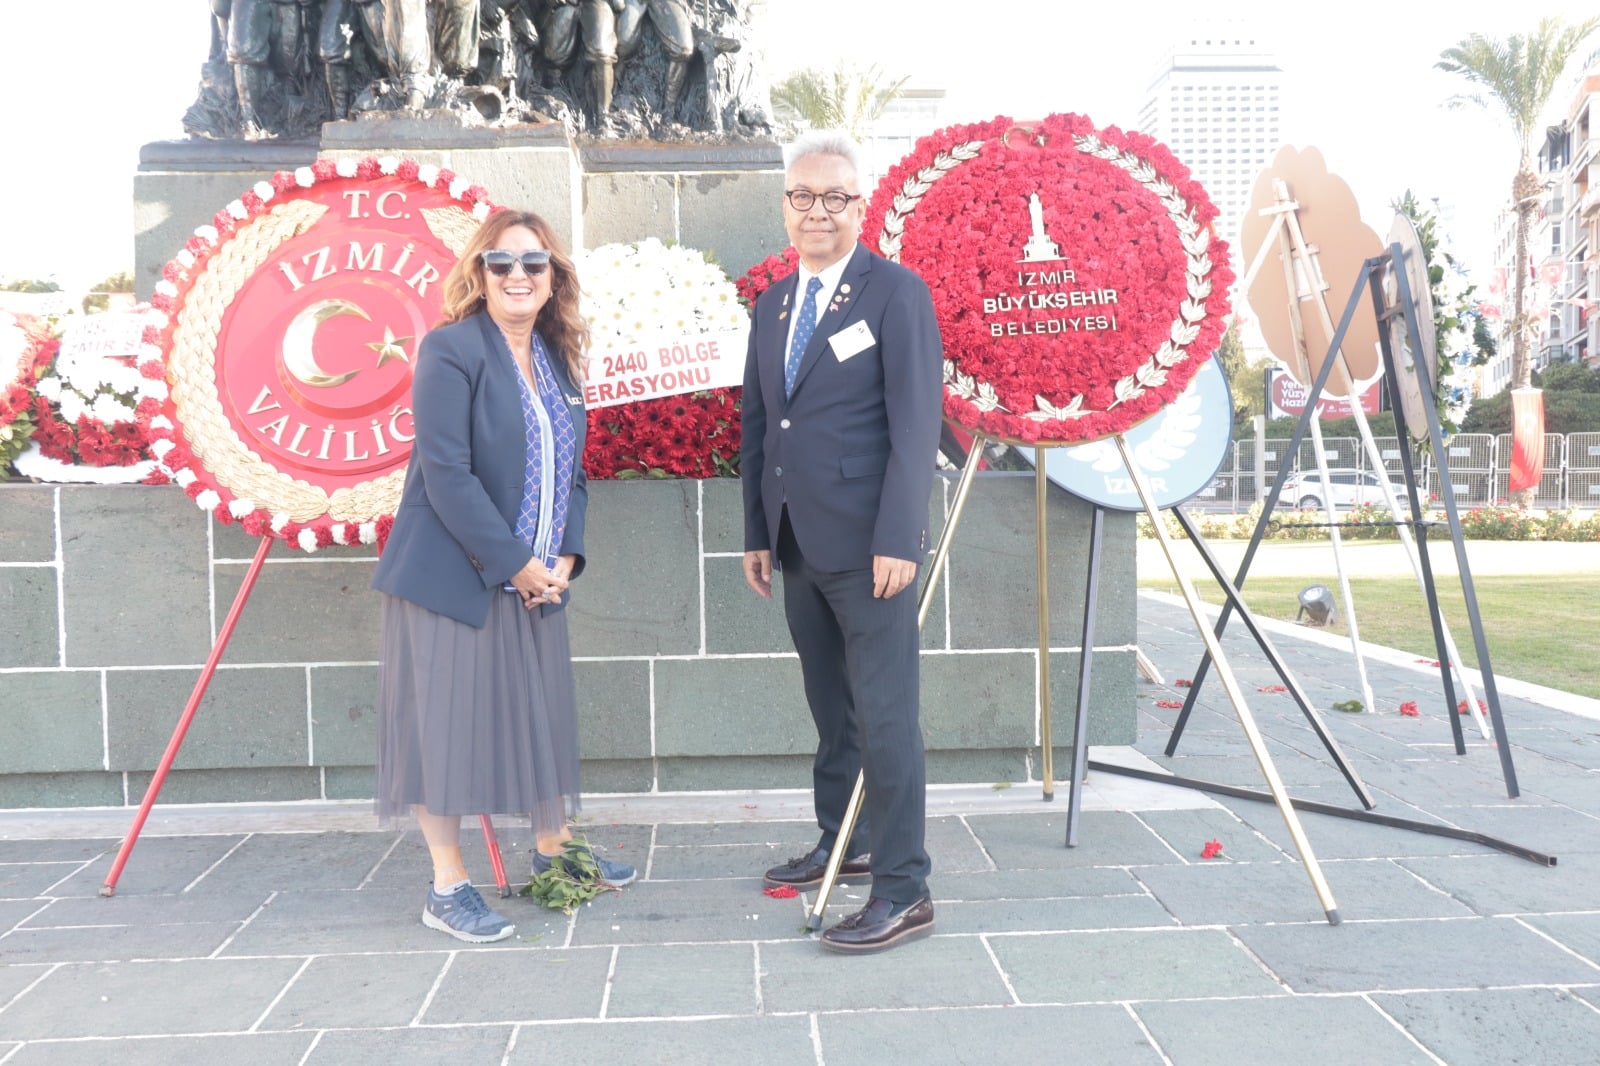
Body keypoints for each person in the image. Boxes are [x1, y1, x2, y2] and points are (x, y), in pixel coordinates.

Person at [371, 208, 634, 945]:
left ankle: (555, 851)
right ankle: (447, 886)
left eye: (534, 263)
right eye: (502, 262)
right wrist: (517, 564)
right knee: (444, 734)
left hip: (536, 581)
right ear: (479, 275)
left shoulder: (557, 359)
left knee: (536, 713)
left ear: (554, 278)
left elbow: (573, 474)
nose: (519, 274)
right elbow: (446, 474)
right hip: (453, 579)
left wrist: (565, 557)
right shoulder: (450, 350)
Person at [740, 130, 944, 954]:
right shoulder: (773, 304)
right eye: (802, 196)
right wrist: (758, 531)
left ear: (861, 206)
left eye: (834, 197)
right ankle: (846, 842)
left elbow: (915, 425)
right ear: (785, 206)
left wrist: (899, 536)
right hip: (796, 542)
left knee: (886, 717)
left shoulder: (895, 294)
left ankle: (905, 887)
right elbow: (760, 425)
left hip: (871, 551)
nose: (816, 212)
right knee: (833, 709)